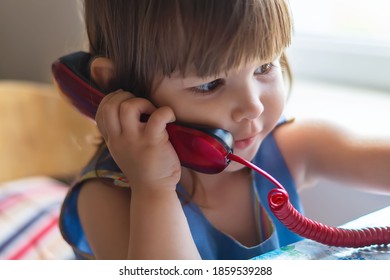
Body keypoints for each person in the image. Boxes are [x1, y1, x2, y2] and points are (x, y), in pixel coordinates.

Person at [59, 0, 390, 260]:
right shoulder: (107, 197)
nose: (253, 107)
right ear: (120, 88)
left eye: (264, 67)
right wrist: (154, 191)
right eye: (209, 84)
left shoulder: (290, 148)